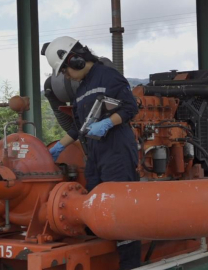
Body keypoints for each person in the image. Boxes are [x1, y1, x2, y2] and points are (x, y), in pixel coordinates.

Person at [42, 36, 141, 270]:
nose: (65, 76)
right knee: (95, 201)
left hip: (116, 147)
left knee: (120, 206)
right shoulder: (82, 89)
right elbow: (79, 126)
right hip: (95, 151)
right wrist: (59, 147)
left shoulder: (108, 76)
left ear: (75, 60)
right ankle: (105, 250)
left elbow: (130, 107)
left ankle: (130, 264)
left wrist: (108, 123)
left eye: (65, 70)